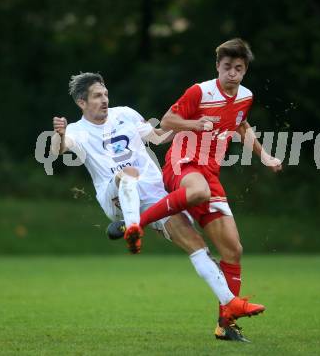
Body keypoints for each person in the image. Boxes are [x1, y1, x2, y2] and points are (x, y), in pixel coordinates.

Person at [51, 72, 264, 342]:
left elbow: (159, 137)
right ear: (82, 102)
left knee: (196, 244)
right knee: (127, 172)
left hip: (154, 195)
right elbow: (60, 149)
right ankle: (132, 226)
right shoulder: (77, 131)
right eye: (97, 96)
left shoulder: (125, 114)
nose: (104, 99)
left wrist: (192, 121)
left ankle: (229, 303)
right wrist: (59, 134)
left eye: (105, 94)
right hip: (114, 195)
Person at [137, 38, 283, 340]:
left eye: (238, 68)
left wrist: (264, 154)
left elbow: (242, 125)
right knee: (199, 191)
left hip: (210, 172)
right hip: (182, 162)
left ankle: (225, 325)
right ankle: (139, 222)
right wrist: (194, 125)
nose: (232, 73)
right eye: (226, 67)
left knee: (233, 249)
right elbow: (167, 120)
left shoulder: (245, 97)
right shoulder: (200, 91)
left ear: (245, 71)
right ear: (218, 66)